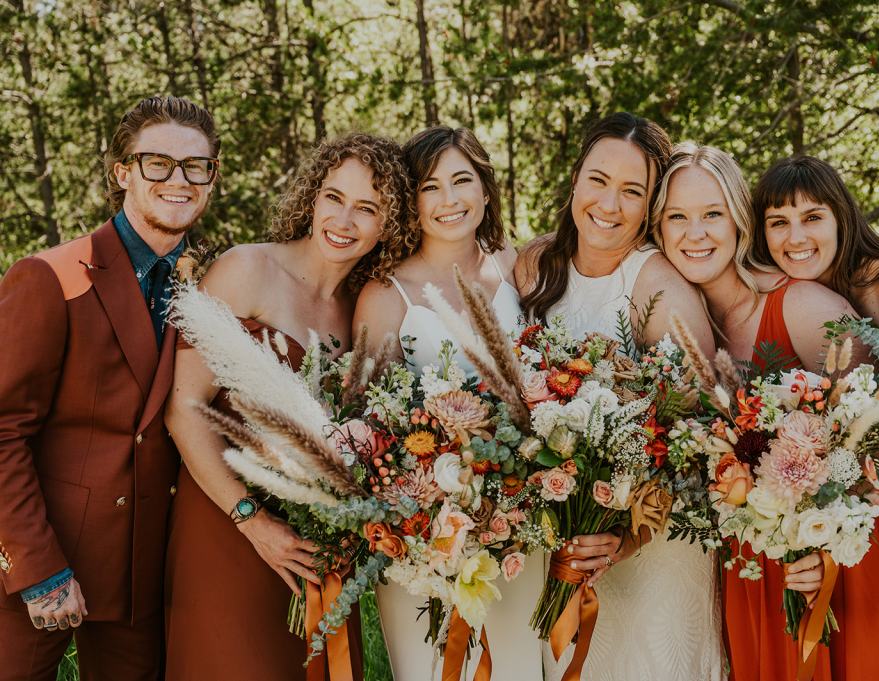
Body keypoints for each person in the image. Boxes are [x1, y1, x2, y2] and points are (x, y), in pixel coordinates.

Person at [163, 133, 412, 680]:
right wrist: (252, 522)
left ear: (389, 224)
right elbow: (184, 409)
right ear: (312, 196)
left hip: (317, 543)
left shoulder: (364, 308)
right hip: (226, 523)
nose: (343, 220)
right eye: (334, 197)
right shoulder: (247, 269)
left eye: (366, 208)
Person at [0, 96, 218, 680]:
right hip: (42, 562)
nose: (179, 180)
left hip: (144, 573)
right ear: (122, 172)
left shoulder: (209, 286)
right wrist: (37, 568)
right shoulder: (50, 277)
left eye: (196, 166)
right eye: (158, 163)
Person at [515, 112, 722, 681]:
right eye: (599, 180)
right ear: (575, 179)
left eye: (632, 191)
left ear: (651, 205)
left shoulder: (658, 288)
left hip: (648, 553)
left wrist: (624, 539)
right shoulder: (534, 265)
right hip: (560, 545)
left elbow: (697, 441)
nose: (609, 204)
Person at [652, 142, 863, 680]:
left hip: (837, 566)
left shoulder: (805, 306)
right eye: (676, 217)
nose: (695, 233)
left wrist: (827, 536)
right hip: (748, 565)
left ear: (740, 220)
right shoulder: (680, 326)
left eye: (712, 214)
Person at [353, 126, 542, 681]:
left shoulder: (515, 267)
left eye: (463, 180)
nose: (449, 199)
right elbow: (368, 419)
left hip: (522, 519)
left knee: (519, 665)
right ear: (410, 201)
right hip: (428, 533)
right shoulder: (386, 293)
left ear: (485, 189)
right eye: (430, 187)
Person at [750, 155, 879, 680]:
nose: (796, 237)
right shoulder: (805, 295)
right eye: (778, 222)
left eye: (812, 217)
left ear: (842, 216)